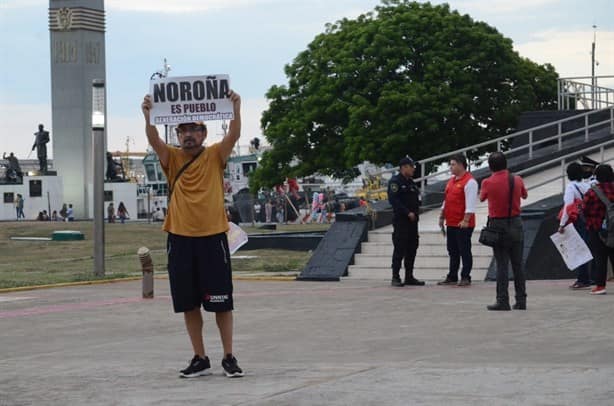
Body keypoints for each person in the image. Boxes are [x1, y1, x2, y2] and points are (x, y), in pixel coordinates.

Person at [141, 89, 244, 378]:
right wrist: (148, 115)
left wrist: (237, 108)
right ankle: (200, 356)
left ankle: (228, 356)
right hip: (180, 238)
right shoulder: (171, 158)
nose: (188, 135)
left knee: (222, 302)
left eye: (194, 130)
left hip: (213, 238)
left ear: (203, 133)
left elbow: (233, 136)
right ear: (177, 133)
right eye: (183, 130)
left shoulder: (215, 155)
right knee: (188, 302)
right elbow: (153, 140)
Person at [479, 152, 528, 310]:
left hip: (498, 226)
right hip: (516, 223)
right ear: (506, 164)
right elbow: (524, 195)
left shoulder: (487, 182)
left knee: (502, 265)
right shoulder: (517, 179)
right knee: (518, 265)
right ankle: (521, 300)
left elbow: (482, 198)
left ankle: (502, 300)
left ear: (491, 166)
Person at [438, 155, 478, 287]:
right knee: (452, 250)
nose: (451, 167)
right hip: (451, 222)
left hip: (463, 223)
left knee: (464, 250)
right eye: (450, 164)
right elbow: (447, 199)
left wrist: (466, 220)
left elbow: (471, 204)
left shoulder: (470, 182)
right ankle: (452, 275)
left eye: (453, 164)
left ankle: (466, 276)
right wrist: (442, 216)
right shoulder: (451, 181)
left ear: (461, 165)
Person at [387, 156, 425, 287]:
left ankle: (409, 276)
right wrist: (407, 212)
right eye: (411, 166)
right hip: (401, 221)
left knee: (412, 248)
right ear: (404, 168)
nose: (414, 169)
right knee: (399, 248)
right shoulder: (395, 182)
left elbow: (417, 198)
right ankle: (395, 277)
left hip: (413, 222)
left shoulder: (411, 183)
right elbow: (394, 200)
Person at [558, 162, 592, 289]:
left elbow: (568, 206)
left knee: (578, 249)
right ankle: (589, 278)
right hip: (588, 219)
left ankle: (583, 279)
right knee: (587, 247)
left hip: (577, 221)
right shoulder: (586, 185)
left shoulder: (571, 187)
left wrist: (562, 224)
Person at [582, 164, 614, 295]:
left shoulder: (592, 191)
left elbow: (584, 209)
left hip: (597, 228)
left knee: (600, 258)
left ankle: (600, 286)